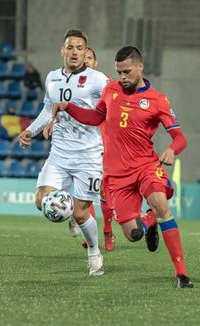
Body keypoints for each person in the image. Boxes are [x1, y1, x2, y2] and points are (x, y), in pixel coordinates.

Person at [47, 46, 193, 288]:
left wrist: (171, 150)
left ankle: (182, 274)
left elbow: (180, 138)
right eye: (119, 72)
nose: (122, 77)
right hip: (117, 175)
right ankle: (149, 221)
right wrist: (68, 107)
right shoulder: (111, 90)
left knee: (161, 205)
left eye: (126, 72)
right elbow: (95, 118)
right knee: (133, 235)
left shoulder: (158, 101)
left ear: (139, 67)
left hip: (145, 166)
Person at [18, 29, 109, 276]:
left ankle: (93, 252)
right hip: (59, 154)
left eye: (79, 48)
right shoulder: (52, 78)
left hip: (88, 156)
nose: (74, 52)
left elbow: (114, 105)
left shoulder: (98, 79)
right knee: (40, 201)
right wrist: (30, 131)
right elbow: (47, 110)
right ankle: (67, 209)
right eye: (70, 47)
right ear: (63, 51)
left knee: (81, 213)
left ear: (85, 51)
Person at [81, 46, 115, 251]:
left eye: (90, 58)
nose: (86, 61)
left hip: (104, 140)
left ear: (95, 63)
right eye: (83, 58)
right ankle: (89, 232)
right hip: (81, 143)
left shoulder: (105, 83)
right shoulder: (70, 83)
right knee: (86, 190)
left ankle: (107, 230)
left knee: (103, 190)